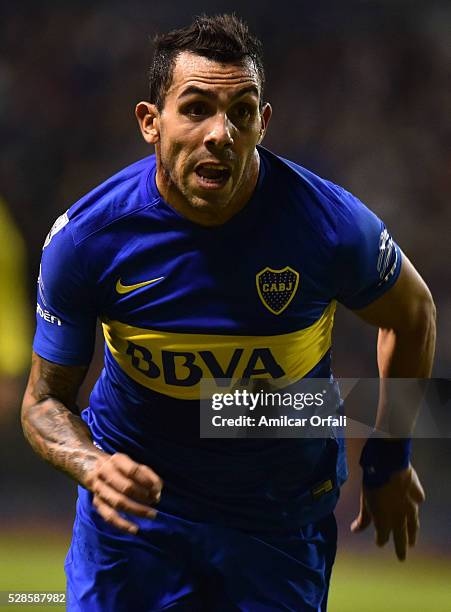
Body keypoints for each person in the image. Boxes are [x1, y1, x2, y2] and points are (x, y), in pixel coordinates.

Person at [21, 14, 436, 612]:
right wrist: (93, 466)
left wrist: (391, 459)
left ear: (262, 124)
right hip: (137, 514)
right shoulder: (90, 240)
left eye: (242, 111)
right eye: (195, 109)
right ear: (150, 122)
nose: (221, 132)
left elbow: (414, 313)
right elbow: (42, 403)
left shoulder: (328, 226)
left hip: (279, 515)